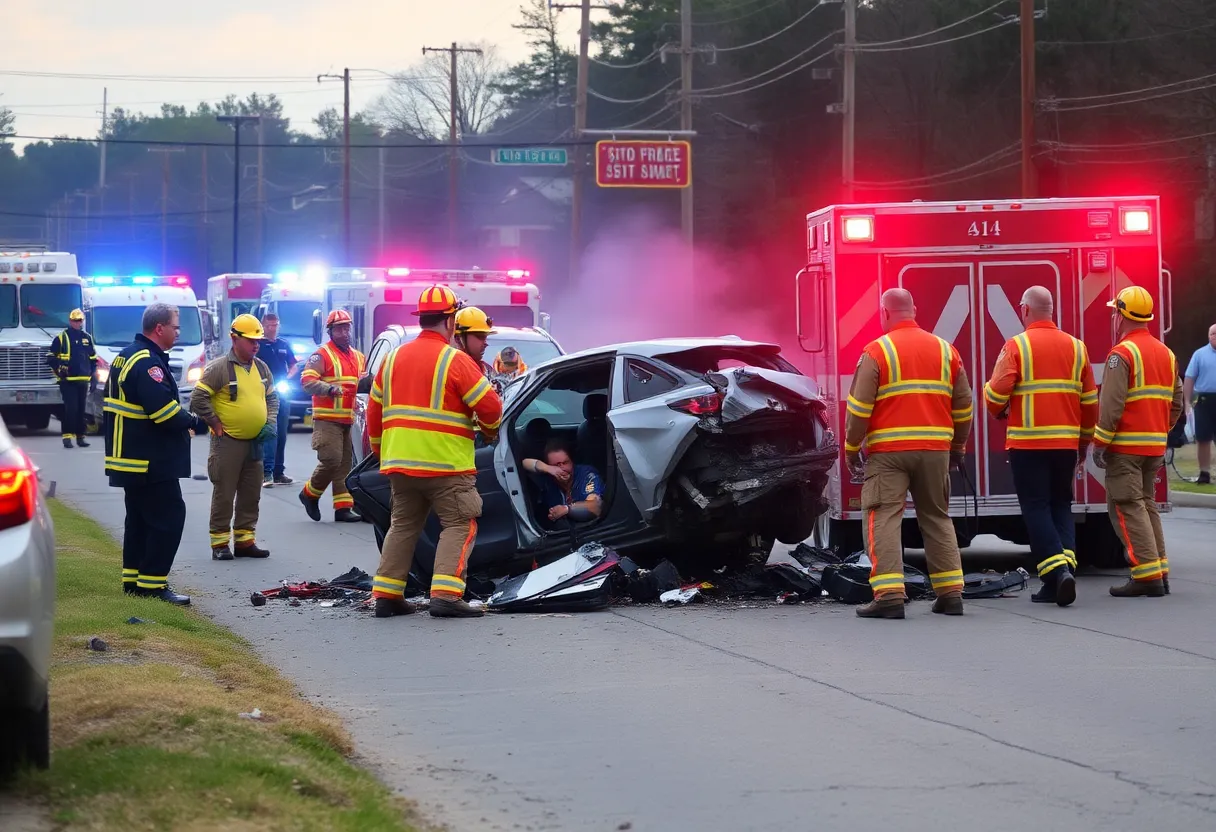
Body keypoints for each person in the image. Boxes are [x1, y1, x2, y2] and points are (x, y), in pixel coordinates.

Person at [367, 285, 503, 619]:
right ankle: (445, 595)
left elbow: (373, 410)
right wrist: (489, 431)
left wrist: (381, 451)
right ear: (451, 321)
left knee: (403, 525)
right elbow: (491, 407)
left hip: (400, 464)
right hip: (446, 465)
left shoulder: (392, 358)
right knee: (459, 524)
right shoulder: (455, 360)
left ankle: (387, 595)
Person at [843, 288, 974, 620]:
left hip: (889, 453)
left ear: (885, 313)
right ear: (913, 310)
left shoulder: (877, 351)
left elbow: (859, 408)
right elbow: (964, 405)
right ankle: (950, 594)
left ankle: (889, 595)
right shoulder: (946, 350)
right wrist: (958, 446)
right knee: (937, 517)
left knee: (884, 517)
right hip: (935, 451)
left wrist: (851, 447)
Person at [983, 286, 1097, 607]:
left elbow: (996, 394)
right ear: (1052, 309)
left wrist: (993, 401)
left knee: (1036, 507)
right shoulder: (1077, 348)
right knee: (1061, 505)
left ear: (1024, 310)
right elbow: (1090, 403)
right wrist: (1084, 443)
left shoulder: (1017, 346)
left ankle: (1057, 573)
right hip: (1065, 445)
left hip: (1028, 444)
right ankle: (1062, 573)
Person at [103, 303, 208, 605]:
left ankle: (134, 582)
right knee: (168, 518)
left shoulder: (126, 355)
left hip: (131, 458)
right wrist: (195, 422)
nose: (178, 332)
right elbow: (163, 412)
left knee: (139, 521)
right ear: (159, 328)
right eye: (175, 326)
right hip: (149, 460)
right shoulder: (148, 363)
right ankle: (152, 584)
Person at [1092, 286, 1184, 598]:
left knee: (1128, 506)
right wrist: (1159, 428)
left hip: (1126, 449)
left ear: (1121, 316)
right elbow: (1177, 402)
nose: (1113, 318)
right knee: (1146, 505)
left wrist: (1100, 443)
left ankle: (1146, 576)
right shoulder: (1166, 354)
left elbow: (1111, 405)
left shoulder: (1122, 354)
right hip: (1154, 447)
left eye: (1114, 312)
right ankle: (1159, 570)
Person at [190, 314, 278, 561]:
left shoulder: (262, 368)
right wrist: (214, 422)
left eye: (258, 341)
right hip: (227, 442)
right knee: (225, 493)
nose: (256, 345)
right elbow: (198, 398)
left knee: (251, 493)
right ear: (234, 339)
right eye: (250, 340)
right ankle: (219, 544)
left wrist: (270, 421)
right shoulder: (219, 368)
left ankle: (245, 541)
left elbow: (272, 398)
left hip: (254, 442)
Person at [299, 309, 366, 523]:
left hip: (348, 419)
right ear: (330, 332)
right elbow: (307, 381)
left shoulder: (358, 357)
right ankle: (309, 493)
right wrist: (329, 389)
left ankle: (343, 508)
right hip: (327, 419)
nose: (344, 333)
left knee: (344, 465)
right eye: (339, 329)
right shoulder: (322, 355)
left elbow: (362, 384)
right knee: (331, 460)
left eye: (346, 328)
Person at [257, 313, 298, 487]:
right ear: (263, 326)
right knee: (269, 432)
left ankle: (278, 471)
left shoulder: (283, 345)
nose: (273, 329)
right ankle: (265, 472)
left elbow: (294, 365)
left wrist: (288, 377)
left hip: (282, 392)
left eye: (275, 325)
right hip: (264, 393)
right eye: (269, 326)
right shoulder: (258, 345)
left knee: (281, 433)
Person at [47, 308, 98, 448]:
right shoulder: (61, 337)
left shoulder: (87, 338)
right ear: (70, 321)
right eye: (75, 320)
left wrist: (94, 376)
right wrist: (59, 369)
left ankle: (81, 437)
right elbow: (50, 357)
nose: (77, 323)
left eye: (79, 320)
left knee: (81, 409)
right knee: (71, 409)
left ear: (82, 321)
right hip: (67, 381)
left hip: (83, 380)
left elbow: (93, 359)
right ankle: (67, 437)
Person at [522, 439, 604, 525]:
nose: (562, 468)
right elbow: (524, 463)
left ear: (572, 461)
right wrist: (548, 468)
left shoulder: (586, 475)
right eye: (556, 465)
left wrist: (566, 509)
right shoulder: (548, 478)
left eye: (565, 463)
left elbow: (595, 507)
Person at [1183, 322, 1216, 485]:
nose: (1215, 336)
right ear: (1208, 336)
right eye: (1212, 334)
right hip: (1204, 401)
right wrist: (1187, 402)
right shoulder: (1199, 354)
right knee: (1203, 439)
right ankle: (1204, 472)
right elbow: (1189, 379)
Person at [453, 306, 496, 375]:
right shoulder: (452, 369)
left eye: (485, 337)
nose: (486, 344)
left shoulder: (485, 370)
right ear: (458, 338)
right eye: (480, 337)